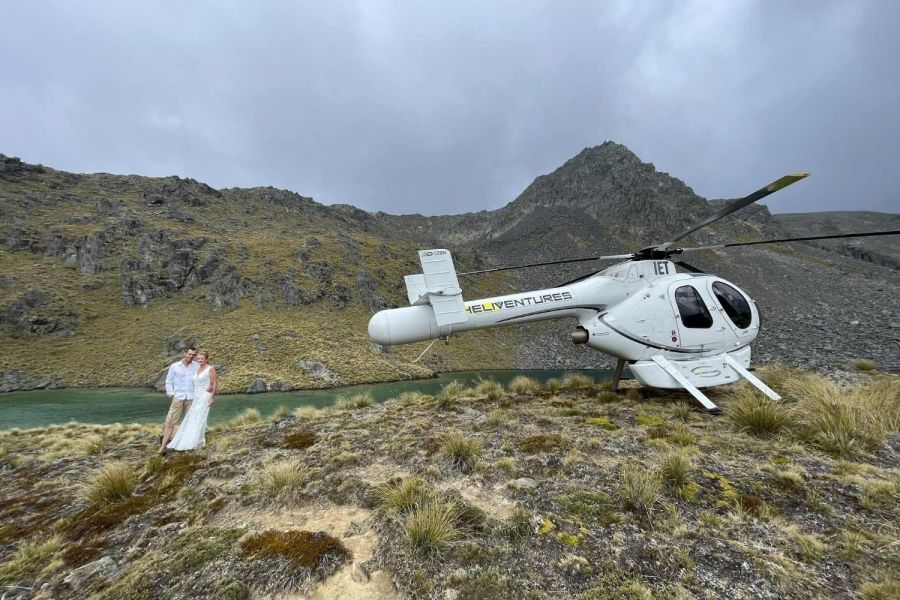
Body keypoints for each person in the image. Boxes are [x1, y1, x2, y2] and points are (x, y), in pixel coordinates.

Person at [166, 350, 217, 452]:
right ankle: (186, 439)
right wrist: (172, 394)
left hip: (204, 396)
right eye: (198, 358)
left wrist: (211, 396)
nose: (199, 360)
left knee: (200, 417)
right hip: (194, 396)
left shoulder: (210, 368)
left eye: (202, 359)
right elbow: (171, 381)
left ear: (206, 359)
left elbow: (215, 382)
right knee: (192, 418)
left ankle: (198, 441)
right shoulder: (195, 368)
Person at [158, 347, 198, 455]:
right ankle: (163, 447)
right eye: (190, 354)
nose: (191, 356)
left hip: (191, 398)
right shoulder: (175, 366)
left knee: (190, 422)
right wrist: (172, 394)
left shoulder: (196, 366)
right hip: (178, 397)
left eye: (194, 355)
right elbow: (168, 381)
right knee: (170, 422)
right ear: (184, 354)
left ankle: (188, 445)